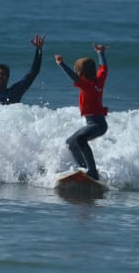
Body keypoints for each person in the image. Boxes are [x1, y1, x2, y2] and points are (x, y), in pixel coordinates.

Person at [55, 43, 109, 180]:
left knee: (79, 139)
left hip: (97, 124)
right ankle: (84, 168)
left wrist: (61, 64)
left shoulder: (87, 86)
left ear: (81, 73)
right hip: (96, 124)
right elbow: (104, 68)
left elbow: (74, 77)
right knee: (71, 142)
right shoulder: (99, 81)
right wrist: (100, 53)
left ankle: (92, 171)